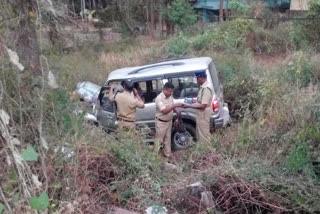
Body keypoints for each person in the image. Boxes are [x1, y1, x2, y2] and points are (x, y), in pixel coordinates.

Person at [182, 70, 213, 143]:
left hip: (203, 114)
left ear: (202, 78)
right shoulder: (202, 87)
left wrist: (188, 106)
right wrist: (191, 101)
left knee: (204, 133)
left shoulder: (206, 89)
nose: (197, 80)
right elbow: (200, 100)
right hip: (201, 114)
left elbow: (203, 106)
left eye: (197, 79)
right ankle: (204, 148)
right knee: (200, 131)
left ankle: (207, 149)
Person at [155, 82, 183, 158]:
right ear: (165, 90)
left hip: (169, 122)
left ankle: (167, 155)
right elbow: (164, 110)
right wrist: (175, 105)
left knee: (167, 140)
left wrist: (177, 111)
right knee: (159, 141)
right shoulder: (159, 98)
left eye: (172, 91)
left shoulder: (170, 96)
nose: (171, 93)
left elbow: (171, 106)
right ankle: (156, 157)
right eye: (170, 91)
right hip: (161, 123)